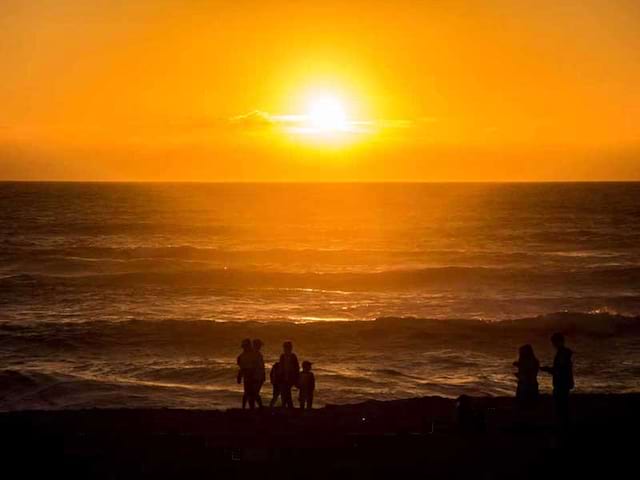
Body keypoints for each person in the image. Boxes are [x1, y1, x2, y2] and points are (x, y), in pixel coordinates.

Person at [541, 333, 574, 428]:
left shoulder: (562, 354)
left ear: (559, 342)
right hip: (564, 382)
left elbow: (559, 370)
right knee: (563, 405)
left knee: (560, 405)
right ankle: (564, 424)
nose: (553, 345)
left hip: (561, 383)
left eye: (554, 342)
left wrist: (548, 369)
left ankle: (562, 426)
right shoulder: (564, 353)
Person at [236, 338, 257, 409]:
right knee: (248, 392)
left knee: (251, 393)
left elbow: (255, 365)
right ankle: (245, 407)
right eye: (244, 346)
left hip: (252, 376)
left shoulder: (251, 354)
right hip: (247, 376)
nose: (245, 347)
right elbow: (242, 368)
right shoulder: (242, 356)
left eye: (246, 346)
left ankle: (249, 407)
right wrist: (239, 376)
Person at [279, 341, 300, 409]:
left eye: (288, 347)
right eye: (285, 347)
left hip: (290, 376)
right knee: (285, 391)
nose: (286, 349)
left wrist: (296, 377)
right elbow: (281, 366)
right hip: (284, 376)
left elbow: (297, 367)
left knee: (286, 391)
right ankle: (288, 406)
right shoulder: (282, 356)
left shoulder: (293, 356)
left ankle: (287, 406)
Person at [252, 339, 266, 409]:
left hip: (257, 376)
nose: (260, 347)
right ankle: (260, 406)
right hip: (256, 376)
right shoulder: (257, 354)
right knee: (255, 392)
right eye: (259, 345)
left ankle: (259, 406)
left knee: (254, 392)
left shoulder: (257, 354)